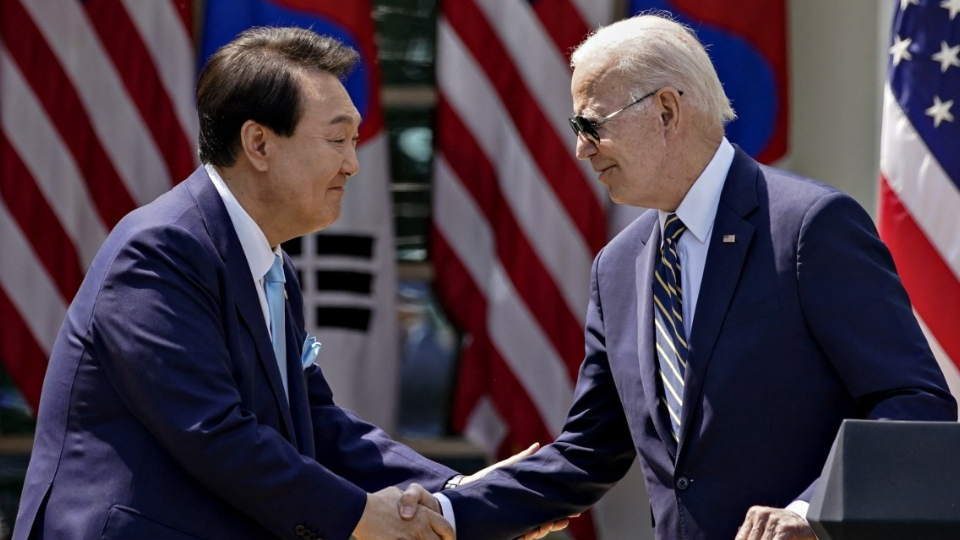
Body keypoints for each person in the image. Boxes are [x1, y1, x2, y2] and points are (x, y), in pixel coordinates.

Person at [12, 27, 550, 540]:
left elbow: (317, 423)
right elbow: (214, 433)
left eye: (355, 141)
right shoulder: (160, 250)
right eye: (337, 139)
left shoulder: (271, 265)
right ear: (259, 144)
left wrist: (457, 493)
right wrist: (363, 516)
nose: (353, 164)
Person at [434, 12, 958, 540]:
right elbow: (586, 453)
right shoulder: (615, 269)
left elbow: (914, 406)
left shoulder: (808, 227)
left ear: (665, 110)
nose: (581, 148)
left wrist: (807, 515)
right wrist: (446, 513)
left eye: (591, 125)